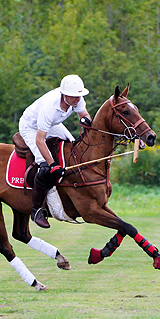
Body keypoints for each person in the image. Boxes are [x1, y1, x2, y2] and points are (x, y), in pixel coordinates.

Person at [19, 74, 92, 228]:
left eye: (79, 95)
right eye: (74, 96)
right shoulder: (50, 107)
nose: (78, 99)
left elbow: (84, 115)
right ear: (64, 94)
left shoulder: (77, 98)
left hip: (52, 124)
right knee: (45, 166)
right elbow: (39, 140)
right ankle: (37, 210)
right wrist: (52, 164)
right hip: (30, 127)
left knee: (73, 146)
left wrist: (86, 122)